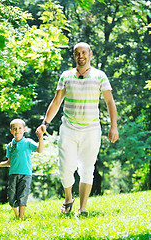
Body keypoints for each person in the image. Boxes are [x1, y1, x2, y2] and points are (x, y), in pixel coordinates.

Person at [36, 42, 119, 216]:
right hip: (69, 128)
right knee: (65, 167)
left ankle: (83, 209)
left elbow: (110, 102)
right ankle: (68, 198)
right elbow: (57, 101)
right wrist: (45, 123)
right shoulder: (66, 76)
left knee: (87, 169)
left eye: (83, 52)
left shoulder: (100, 76)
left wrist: (114, 127)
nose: (80, 56)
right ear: (74, 56)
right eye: (77, 53)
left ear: (90, 54)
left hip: (91, 129)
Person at [0, 119, 44, 220]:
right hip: (13, 174)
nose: (17, 130)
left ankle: (21, 217)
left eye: (19, 128)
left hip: (26, 174)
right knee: (11, 197)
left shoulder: (28, 142)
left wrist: (40, 138)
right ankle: (17, 214)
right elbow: (9, 162)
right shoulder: (10, 146)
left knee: (23, 195)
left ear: (24, 130)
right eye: (14, 129)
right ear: (11, 131)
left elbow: (40, 150)